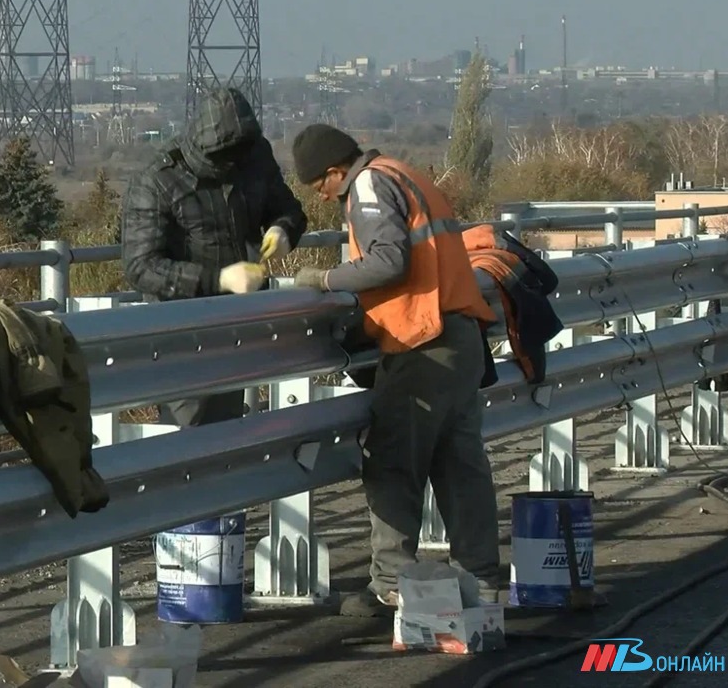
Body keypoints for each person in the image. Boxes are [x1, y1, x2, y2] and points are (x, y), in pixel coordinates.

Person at [289, 123, 502, 617]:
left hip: (421, 341)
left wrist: (325, 278)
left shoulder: (366, 185)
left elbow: (389, 261)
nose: (322, 198)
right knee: (459, 466)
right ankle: (483, 583)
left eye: (319, 186)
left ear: (334, 172)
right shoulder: (405, 173)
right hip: (460, 336)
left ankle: (392, 584)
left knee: (392, 462)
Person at [121, 87, 308, 428]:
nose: (232, 164)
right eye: (225, 157)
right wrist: (217, 279)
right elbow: (140, 266)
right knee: (186, 428)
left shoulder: (254, 158)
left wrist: (283, 230)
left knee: (227, 427)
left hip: (238, 320)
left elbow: (289, 210)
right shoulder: (158, 181)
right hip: (182, 329)